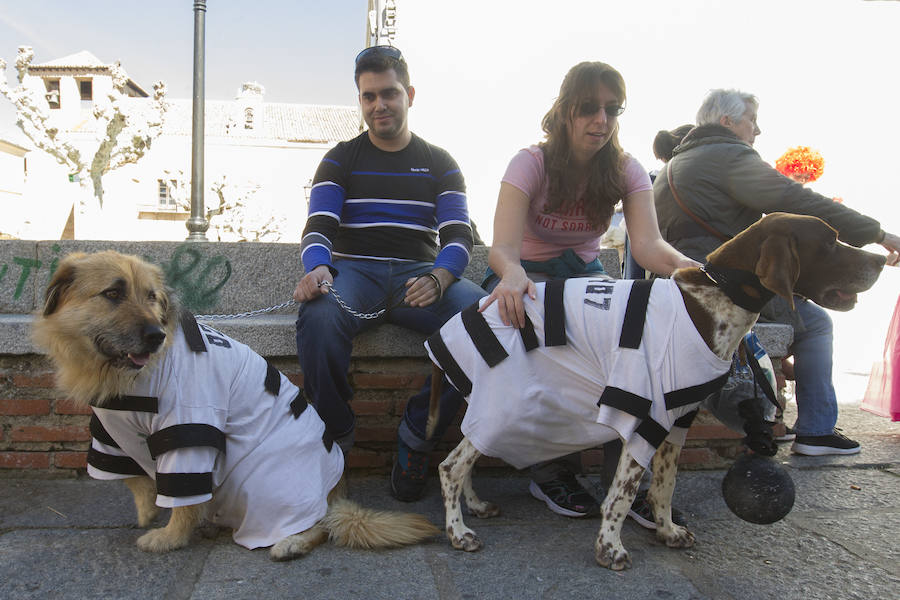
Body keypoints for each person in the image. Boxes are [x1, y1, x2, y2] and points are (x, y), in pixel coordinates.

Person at [482, 61, 698, 526]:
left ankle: (623, 480)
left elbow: (647, 245)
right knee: (537, 345)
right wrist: (514, 275)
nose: (601, 120)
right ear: (565, 111)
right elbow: (500, 248)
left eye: (612, 109)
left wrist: (688, 267)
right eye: (588, 108)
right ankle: (551, 471)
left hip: (585, 274)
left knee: (631, 353)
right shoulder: (531, 162)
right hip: (526, 272)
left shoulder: (626, 168)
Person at [654, 88, 900, 456]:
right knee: (816, 324)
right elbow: (797, 199)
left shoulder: (677, 163)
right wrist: (876, 234)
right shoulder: (728, 156)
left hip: (684, 288)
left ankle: (783, 416)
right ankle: (816, 431)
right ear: (727, 122)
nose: (757, 130)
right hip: (722, 292)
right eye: (751, 120)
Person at [293, 45, 486, 502]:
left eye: (389, 94)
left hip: (420, 276)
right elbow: (319, 227)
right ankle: (334, 440)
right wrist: (317, 268)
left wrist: (441, 277)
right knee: (318, 321)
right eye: (369, 96)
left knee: (484, 322)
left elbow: (459, 236)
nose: (379, 105)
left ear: (410, 94)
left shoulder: (441, 162)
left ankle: (417, 437)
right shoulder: (340, 158)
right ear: (360, 101)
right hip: (354, 274)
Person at [623, 124, 694, 279]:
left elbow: (634, 265)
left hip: (658, 277)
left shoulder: (651, 180)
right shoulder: (695, 181)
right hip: (684, 269)